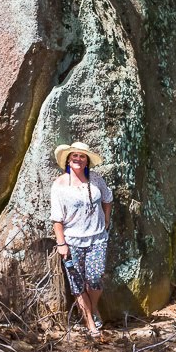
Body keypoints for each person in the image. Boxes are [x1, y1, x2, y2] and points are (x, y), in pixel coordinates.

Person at [50, 141, 113, 339]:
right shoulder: (60, 184)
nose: (78, 159)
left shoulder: (95, 179)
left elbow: (108, 199)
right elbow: (57, 218)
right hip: (73, 241)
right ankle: (90, 322)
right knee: (77, 283)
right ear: (68, 159)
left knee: (95, 279)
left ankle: (92, 308)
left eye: (82, 156)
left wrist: (107, 220)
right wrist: (61, 243)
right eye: (74, 156)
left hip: (97, 238)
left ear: (87, 161)